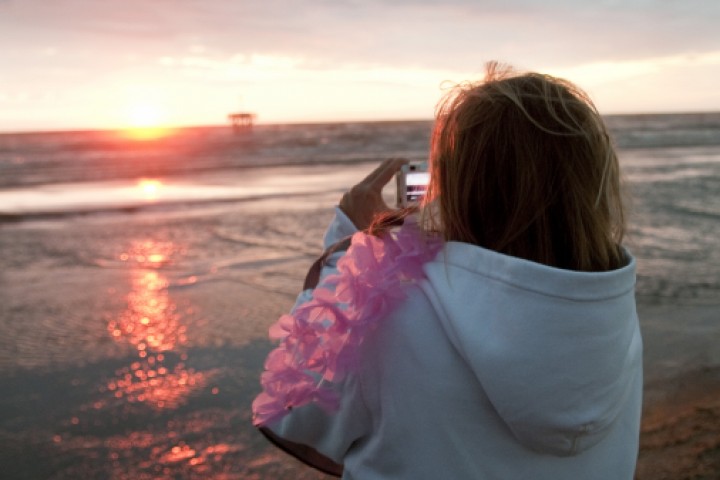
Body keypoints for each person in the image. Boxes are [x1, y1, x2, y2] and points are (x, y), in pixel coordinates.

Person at [252, 62, 643, 479]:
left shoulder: (395, 316)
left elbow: (291, 411)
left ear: (458, 184)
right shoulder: (610, 310)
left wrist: (351, 251)